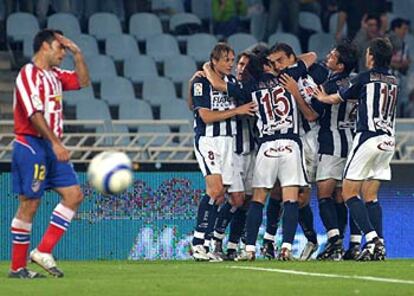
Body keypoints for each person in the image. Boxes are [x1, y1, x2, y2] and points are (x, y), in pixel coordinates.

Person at [203, 52, 309, 261]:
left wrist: (207, 68)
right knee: (290, 199)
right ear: (268, 66)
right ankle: (286, 247)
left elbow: (218, 85)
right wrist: (283, 62)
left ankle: (249, 249)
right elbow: (311, 57)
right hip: (290, 144)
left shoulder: (249, 88)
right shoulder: (288, 76)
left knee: (258, 200)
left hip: (267, 146)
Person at [9, 29, 89, 279]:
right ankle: (17, 268)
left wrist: (78, 53)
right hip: (32, 145)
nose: (62, 53)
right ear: (44, 46)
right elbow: (34, 114)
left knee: (74, 195)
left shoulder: (55, 76)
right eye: (60, 48)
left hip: (53, 145)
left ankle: (43, 251)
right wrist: (55, 143)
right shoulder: (28, 75)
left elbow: (83, 81)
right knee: (29, 204)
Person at [314, 37, 395, 260]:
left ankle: (372, 240)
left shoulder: (364, 78)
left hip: (367, 138)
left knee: (349, 192)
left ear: (372, 57)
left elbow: (337, 97)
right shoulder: (394, 80)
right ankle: (377, 245)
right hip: (388, 141)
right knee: (370, 197)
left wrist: (321, 96)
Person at [190, 43, 256, 261]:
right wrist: (238, 110)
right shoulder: (200, 81)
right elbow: (206, 117)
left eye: (232, 60)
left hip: (229, 142)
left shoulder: (233, 83)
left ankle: (208, 243)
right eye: (227, 60)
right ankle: (198, 243)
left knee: (227, 196)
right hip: (209, 140)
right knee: (215, 190)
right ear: (214, 60)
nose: (231, 64)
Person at [295, 43, 359, 260]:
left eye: (333, 55)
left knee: (324, 196)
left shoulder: (330, 85)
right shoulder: (356, 81)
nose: (328, 56)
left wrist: (297, 94)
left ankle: (334, 242)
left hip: (330, 144)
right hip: (351, 142)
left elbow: (313, 113)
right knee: (342, 196)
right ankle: (348, 243)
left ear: (340, 65)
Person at [267, 43, 320, 260]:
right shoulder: (291, 72)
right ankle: (271, 241)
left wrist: (295, 91)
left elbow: (313, 54)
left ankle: (311, 239)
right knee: (278, 191)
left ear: (291, 57)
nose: (277, 66)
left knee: (301, 197)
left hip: (310, 141)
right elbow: (312, 54)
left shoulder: (293, 74)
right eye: (273, 62)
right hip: (291, 141)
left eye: (280, 60)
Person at [209, 51, 258, 260]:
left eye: (245, 65)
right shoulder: (233, 85)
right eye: (239, 63)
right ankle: (216, 239)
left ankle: (232, 245)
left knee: (246, 201)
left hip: (253, 151)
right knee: (236, 199)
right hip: (234, 151)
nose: (240, 68)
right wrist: (206, 69)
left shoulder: (250, 89)